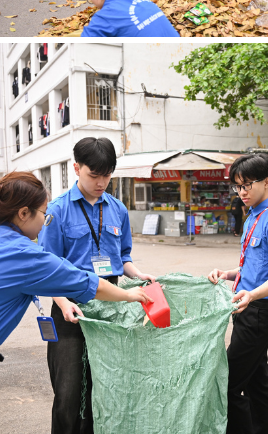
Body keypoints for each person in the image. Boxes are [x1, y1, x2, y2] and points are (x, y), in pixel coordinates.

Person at [0, 171, 151, 434]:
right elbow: (85, 283)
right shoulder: (24, 254)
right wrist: (131, 296)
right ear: (24, 213)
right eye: (43, 214)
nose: (45, 222)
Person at [38, 137, 157, 434]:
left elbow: (123, 257)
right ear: (76, 168)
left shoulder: (118, 209)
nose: (101, 182)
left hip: (112, 307)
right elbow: (45, 269)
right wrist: (63, 303)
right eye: (94, 175)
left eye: (107, 175)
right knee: (68, 392)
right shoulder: (57, 211)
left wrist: (140, 275)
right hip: (71, 307)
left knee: (104, 388)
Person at [208, 154, 268, 434]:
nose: (242, 192)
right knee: (257, 375)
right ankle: (263, 428)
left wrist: (250, 296)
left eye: (247, 185)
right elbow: (250, 267)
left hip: (260, 311)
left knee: (229, 382)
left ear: (267, 181)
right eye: (238, 186)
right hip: (247, 308)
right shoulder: (253, 217)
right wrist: (227, 274)